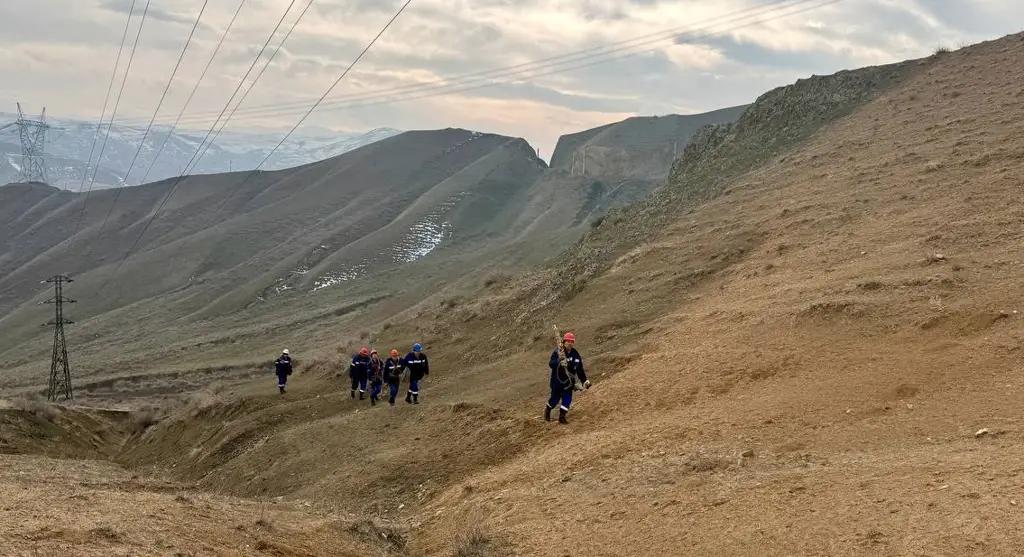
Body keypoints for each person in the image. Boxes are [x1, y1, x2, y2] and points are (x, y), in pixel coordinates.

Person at [546, 332, 590, 424]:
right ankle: (548, 410)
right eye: (568, 341)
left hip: (568, 383)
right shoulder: (558, 352)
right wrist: (559, 360)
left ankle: (562, 417)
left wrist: (584, 381)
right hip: (557, 382)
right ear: (564, 342)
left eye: (572, 341)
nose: (570, 343)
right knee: (554, 399)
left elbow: (579, 369)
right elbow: (551, 364)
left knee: (567, 399)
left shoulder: (575, 354)